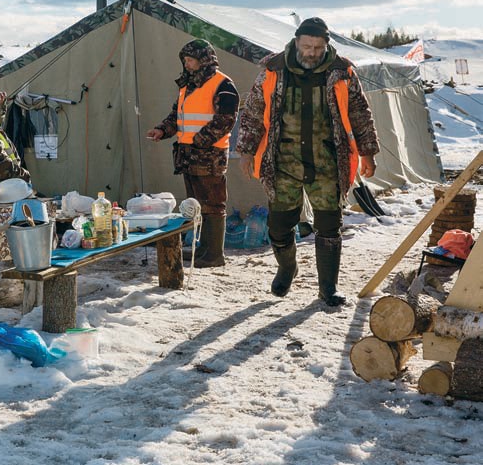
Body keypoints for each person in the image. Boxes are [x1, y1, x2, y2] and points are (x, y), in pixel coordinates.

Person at [236, 17, 379, 306]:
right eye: (306, 46)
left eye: (317, 47)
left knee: (329, 225)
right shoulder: (273, 70)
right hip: (283, 162)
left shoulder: (342, 72)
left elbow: (360, 114)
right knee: (279, 225)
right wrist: (246, 151)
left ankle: (328, 287)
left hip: (327, 161)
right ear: (296, 42)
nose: (312, 52)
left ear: (326, 45)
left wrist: (368, 152)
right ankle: (287, 268)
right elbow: (252, 112)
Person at [146, 39, 239, 268]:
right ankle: (203, 249)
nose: (186, 64)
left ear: (204, 60)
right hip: (188, 156)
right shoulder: (188, 86)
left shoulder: (223, 84)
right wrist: (161, 130)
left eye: (190, 60)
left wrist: (200, 141)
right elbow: (176, 117)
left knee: (213, 204)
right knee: (197, 204)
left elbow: (226, 120)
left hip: (210, 156)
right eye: (185, 60)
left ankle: (214, 255)